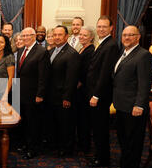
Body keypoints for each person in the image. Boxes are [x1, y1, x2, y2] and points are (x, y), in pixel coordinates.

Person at [112, 25, 152, 168]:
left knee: (133, 142)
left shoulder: (143, 55)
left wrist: (139, 105)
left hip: (134, 107)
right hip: (121, 105)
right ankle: (124, 166)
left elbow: (144, 84)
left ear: (138, 37)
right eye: (124, 35)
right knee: (123, 139)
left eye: (131, 35)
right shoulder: (124, 53)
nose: (127, 38)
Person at [87, 16, 120, 168]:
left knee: (100, 128)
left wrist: (96, 95)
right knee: (96, 126)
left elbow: (105, 73)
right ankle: (99, 155)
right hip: (95, 93)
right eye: (99, 26)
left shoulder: (111, 45)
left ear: (111, 28)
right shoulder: (102, 43)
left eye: (104, 27)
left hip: (100, 95)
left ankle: (102, 158)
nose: (101, 29)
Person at [15, 27, 50, 159]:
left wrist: (40, 95)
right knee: (24, 122)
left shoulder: (41, 52)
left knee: (33, 123)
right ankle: (26, 144)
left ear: (34, 36)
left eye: (28, 36)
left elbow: (43, 76)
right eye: (23, 36)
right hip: (22, 94)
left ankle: (33, 149)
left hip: (34, 95)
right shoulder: (20, 51)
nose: (25, 38)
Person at [45, 25, 80, 157]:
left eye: (60, 35)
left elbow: (72, 79)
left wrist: (67, 97)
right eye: (55, 35)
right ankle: (56, 145)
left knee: (66, 124)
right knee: (54, 122)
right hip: (52, 95)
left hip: (63, 96)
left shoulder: (72, 54)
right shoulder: (51, 51)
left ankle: (66, 149)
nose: (57, 37)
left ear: (66, 36)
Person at [75, 26, 96, 154]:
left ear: (91, 37)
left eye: (85, 35)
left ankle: (85, 146)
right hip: (79, 90)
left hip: (84, 90)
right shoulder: (82, 48)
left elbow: (87, 71)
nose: (81, 37)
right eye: (80, 35)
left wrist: (80, 82)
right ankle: (82, 143)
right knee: (80, 118)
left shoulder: (91, 51)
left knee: (84, 119)